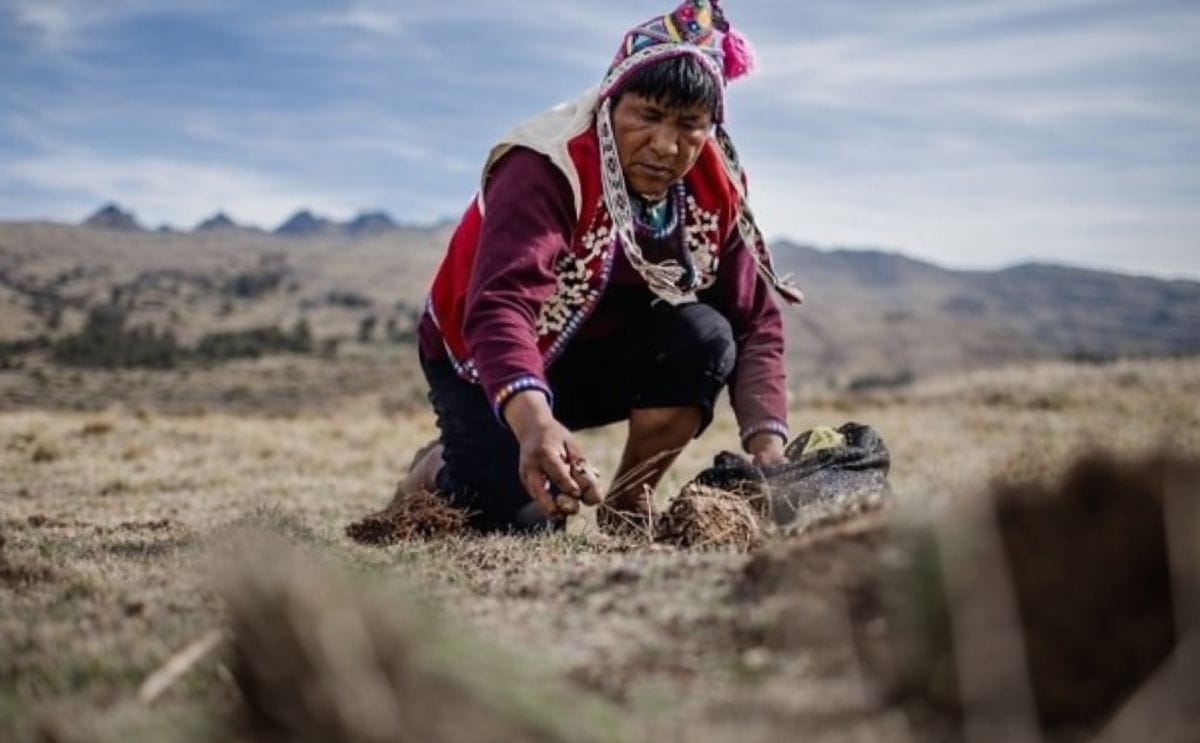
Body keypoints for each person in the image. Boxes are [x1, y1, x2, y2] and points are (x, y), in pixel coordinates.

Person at [406, 0, 804, 532]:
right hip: (487, 355)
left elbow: (753, 320)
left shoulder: (715, 187)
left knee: (704, 338)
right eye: (648, 115)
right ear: (610, 102)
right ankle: (438, 467)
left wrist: (768, 452)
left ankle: (630, 499)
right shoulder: (547, 164)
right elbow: (501, 306)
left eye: (690, 124)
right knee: (517, 519)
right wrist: (536, 423)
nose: (666, 146)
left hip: (595, 354)